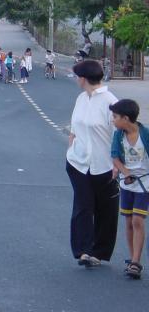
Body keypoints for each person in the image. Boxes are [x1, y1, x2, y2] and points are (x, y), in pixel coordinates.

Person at [66, 59, 119, 269]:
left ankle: (100, 252)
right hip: (78, 162)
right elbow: (74, 128)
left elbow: (117, 135)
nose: (76, 79)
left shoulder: (110, 102)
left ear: (84, 78)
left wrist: (117, 163)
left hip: (103, 164)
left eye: (77, 76)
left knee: (106, 209)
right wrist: (70, 149)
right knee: (83, 207)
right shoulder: (81, 98)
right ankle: (83, 250)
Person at [110, 99, 149, 279]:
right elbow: (115, 156)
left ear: (126, 118)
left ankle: (136, 261)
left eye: (115, 117)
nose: (113, 120)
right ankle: (133, 258)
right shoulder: (118, 136)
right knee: (128, 222)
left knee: (137, 221)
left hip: (145, 184)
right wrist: (124, 172)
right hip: (128, 183)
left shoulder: (146, 134)